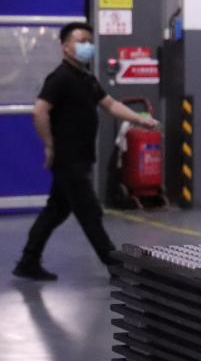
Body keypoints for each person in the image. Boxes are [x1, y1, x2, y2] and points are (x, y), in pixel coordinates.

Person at [13, 22, 161, 281]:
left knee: (56, 210)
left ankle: (28, 261)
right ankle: (115, 265)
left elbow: (111, 105)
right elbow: (40, 111)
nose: (87, 46)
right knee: (90, 212)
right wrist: (49, 145)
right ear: (65, 47)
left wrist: (141, 119)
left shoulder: (86, 78)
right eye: (81, 41)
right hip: (68, 159)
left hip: (80, 157)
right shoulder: (60, 78)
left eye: (89, 41)